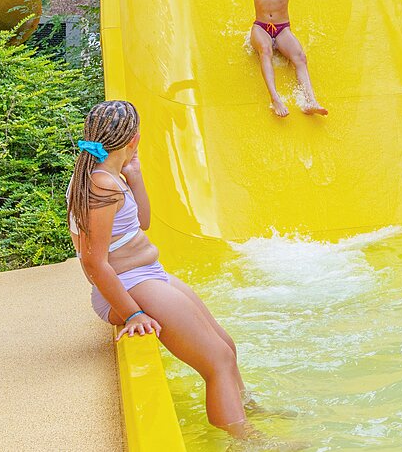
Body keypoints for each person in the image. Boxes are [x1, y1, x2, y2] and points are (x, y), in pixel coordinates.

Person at [68, 101, 260, 440]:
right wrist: (131, 315)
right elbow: (92, 261)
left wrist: (136, 175)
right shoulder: (100, 185)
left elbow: (142, 222)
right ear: (135, 139)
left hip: (146, 275)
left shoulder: (109, 176)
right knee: (215, 361)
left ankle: (247, 411)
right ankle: (247, 442)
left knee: (226, 347)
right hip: (129, 286)